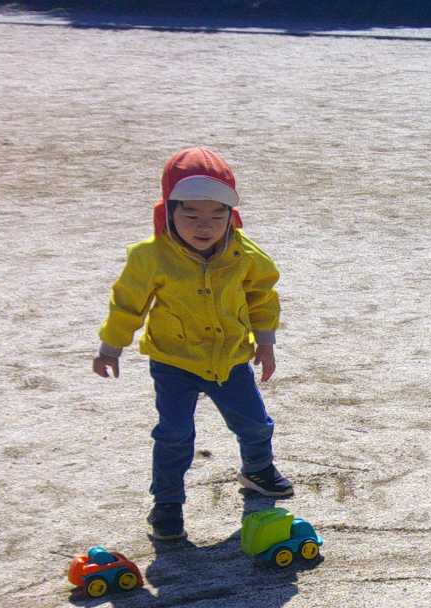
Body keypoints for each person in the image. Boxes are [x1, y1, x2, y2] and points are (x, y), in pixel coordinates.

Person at [92, 147, 292, 542]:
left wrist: (265, 343)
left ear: (231, 217)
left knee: (254, 424)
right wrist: (110, 347)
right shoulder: (150, 258)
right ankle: (167, 503)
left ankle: (257, 470)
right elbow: (127, 304)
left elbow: (262, 297)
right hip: (174, 362)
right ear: (168, 210)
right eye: (192, 215)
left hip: (231, 358)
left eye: (218, 215)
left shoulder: (246, 255)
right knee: (175, 434)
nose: (206, 225)